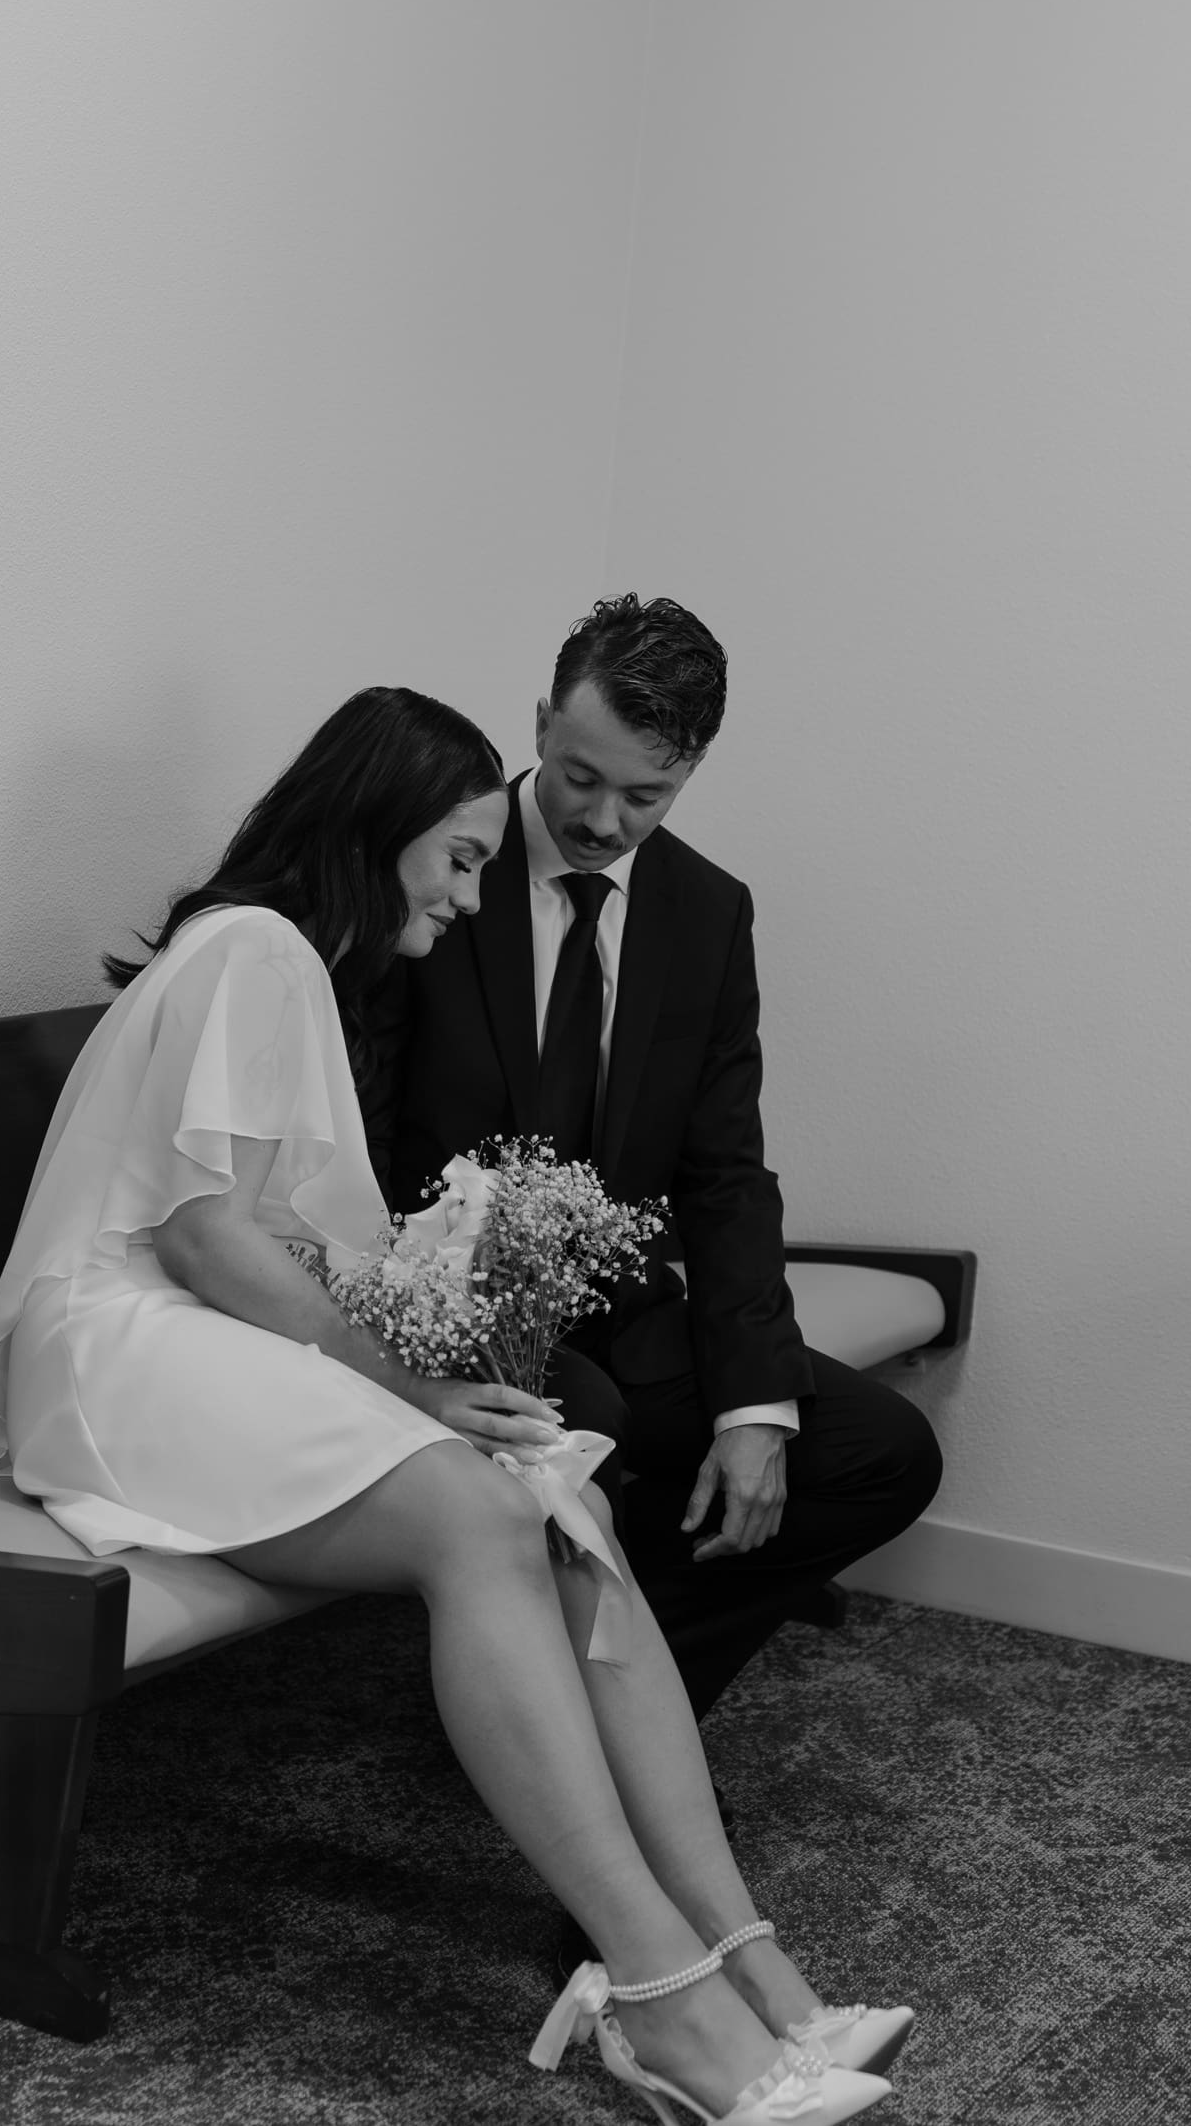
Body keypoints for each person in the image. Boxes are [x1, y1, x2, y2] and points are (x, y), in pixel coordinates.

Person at [0, 687, 907, 2125]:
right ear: (375, 832)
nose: (473, 892)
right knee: (481, 1505)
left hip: (192, 1340)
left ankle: (752, 1965)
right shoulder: (256, 949)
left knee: (563, 1496)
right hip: (117, 1352)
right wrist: (417, 1383)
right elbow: (207, 1236)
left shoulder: (284, 967)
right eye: (458, 858)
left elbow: (272, 1243)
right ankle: (656, 2002)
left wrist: (435, 1335)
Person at [373, 599, 944, 1733]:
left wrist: (752, 1405)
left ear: (692, 769)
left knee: (879, 1454)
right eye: (580, 777)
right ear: (540, 722)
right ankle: (578, 1732)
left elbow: (725, 1170)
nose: (600, 820)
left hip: (622, 1312)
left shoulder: (704, 910)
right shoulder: (436, 869)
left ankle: (614, 1713)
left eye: (646, 795)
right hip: (441, 1316)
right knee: (583, 1421)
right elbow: (356, 1117)